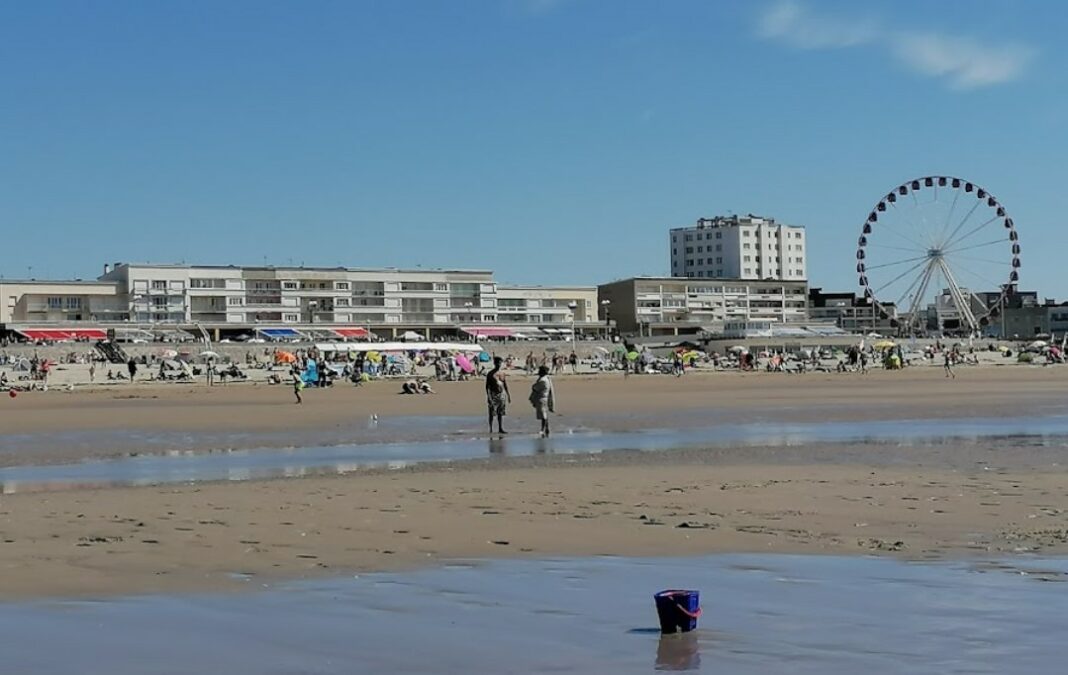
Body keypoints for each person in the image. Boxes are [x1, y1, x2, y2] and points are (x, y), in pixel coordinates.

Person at [485, 356, 510, 434]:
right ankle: (491, 429)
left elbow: (505, 384)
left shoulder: (502, 373)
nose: (498, 364)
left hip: (501, 395)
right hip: (493, 395)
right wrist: (489, 397)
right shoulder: (490, 374)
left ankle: (500, 428)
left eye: (500, 363)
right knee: (491, 413)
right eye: (497, 363)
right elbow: (487, 387)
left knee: (500, 412)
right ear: (494, 363)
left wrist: (508, 395)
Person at [529, 365, 556, 437]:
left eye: (539, 371)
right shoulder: (546, 379)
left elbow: (535, 387)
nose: (538, 372)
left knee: (543, 414)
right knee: (544, 414)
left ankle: (542, 429)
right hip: (543, 398)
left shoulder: (543, 380)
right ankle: (546, 428)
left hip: (542, 398)